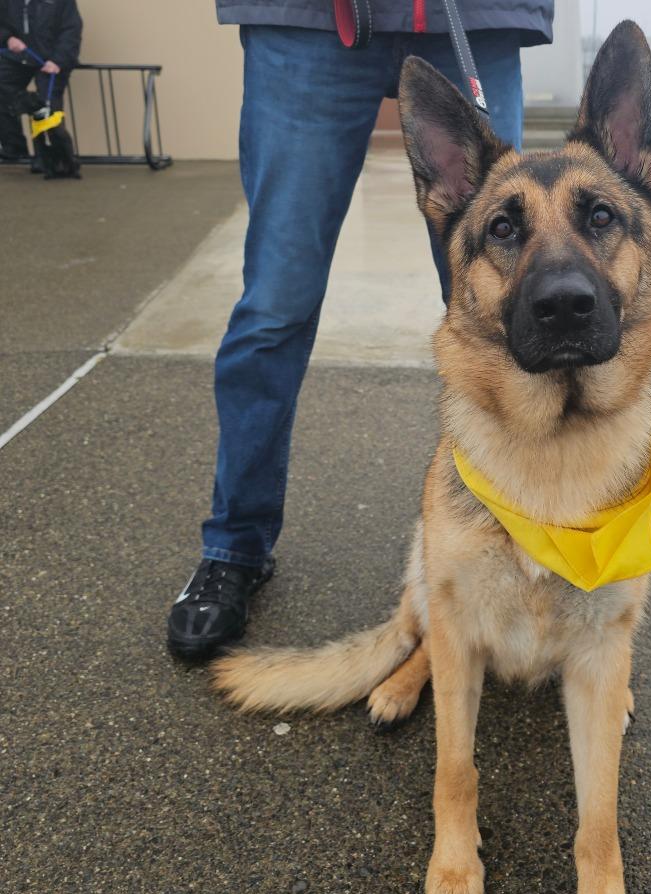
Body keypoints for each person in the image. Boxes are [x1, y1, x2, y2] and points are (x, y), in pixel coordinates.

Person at [166, 0, 553, 661]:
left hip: (470, 17)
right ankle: (236, 546)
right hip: (306, 20)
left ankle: (543, 547)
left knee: (511, 310)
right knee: (274, 308)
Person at [0, 0, 82, 163]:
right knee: (2, 92)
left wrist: (58, 60)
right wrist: (7, 38)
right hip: (17, 57)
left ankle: (52, 158)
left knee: (46, 106)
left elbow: (71, 31)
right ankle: (14, 149)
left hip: (50, 61)